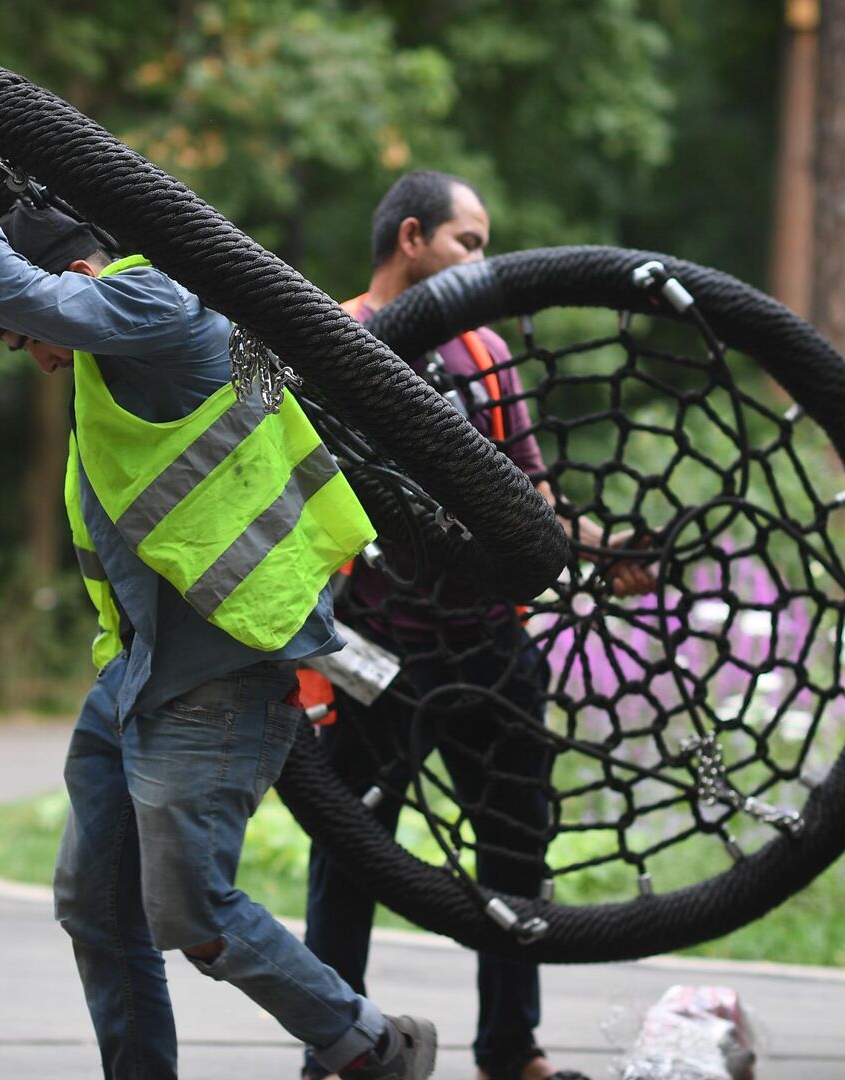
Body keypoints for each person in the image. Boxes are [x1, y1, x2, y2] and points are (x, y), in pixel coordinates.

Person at [0, 129, 436, 1080]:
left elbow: (2, 285)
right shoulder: (112, 368)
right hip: (139, 675)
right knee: (94, 907)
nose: (29, 353)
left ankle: (369, 1046)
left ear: (72, 272)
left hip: (219, 677)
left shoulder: (159, 300)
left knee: (189, 912)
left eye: (25, 338)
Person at [303, 170, 654, 1080]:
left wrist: (599, 544)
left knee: (516, 850)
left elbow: (527, 498)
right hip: (373, 647)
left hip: (489, 641)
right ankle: (337, 1052)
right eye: (470, 242)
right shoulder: (328, 338)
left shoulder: (485, 353)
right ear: (411, 237)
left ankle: (511, 1051)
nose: (482, 261)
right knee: (350, 858)